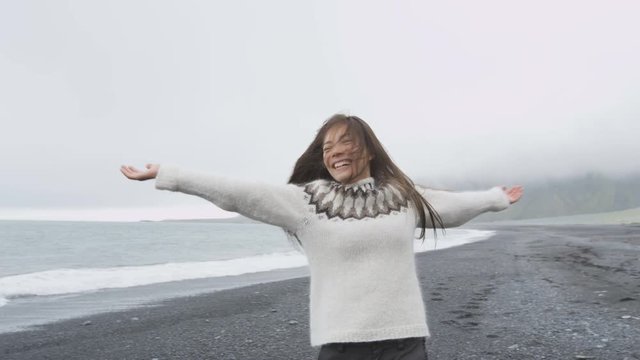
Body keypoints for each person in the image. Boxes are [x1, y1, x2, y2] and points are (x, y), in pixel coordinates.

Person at [121, 114, 523, 360]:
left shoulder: (402, 197)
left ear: (367, 150)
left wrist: (494, 199)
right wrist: (171, 174)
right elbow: (239, 192)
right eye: (328, 146)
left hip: (405, 343)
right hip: (342, 345)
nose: (336, 151)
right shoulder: (306, 201)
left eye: (346, 141)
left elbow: (450, 208)